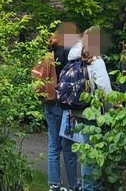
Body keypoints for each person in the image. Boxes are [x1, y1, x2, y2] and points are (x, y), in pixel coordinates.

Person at [66, 27, 112, 191]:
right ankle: (90, 187)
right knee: (92, 153)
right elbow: (105, 90)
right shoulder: (96, 61)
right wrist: (111, 111)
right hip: (92, 111)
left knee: (86, 148)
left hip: (77, 109)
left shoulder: (74, 58)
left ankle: (87, 186)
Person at [43, 22, 81, 191]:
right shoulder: (68, 52)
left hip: (49, 101)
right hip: (65, 103)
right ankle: (73, 184)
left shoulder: (49, 50)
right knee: (68, 147)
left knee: (53, 145)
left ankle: (54, 184)